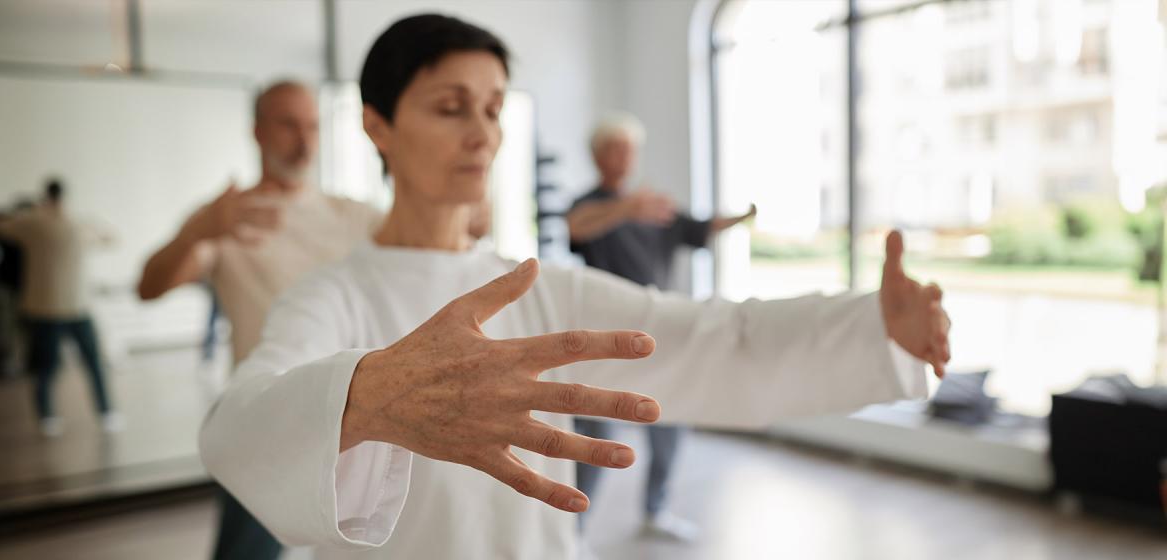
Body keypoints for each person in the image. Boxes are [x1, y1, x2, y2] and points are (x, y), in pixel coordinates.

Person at [199, 14, 951, 560]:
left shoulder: (536, 289)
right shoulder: (332, 296)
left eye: (492, 109)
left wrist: (873, 331)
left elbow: (713, 340)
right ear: (377, 127)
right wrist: (369, 396)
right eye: (451, 106)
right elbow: (239, 426)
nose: (483, 133)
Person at [137, 80, 384, 560]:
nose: (304, 139)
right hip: (266, 422)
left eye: (312, 125)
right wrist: (198, 230)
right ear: (258, 132)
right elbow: (150, 287)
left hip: (350, 421)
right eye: (289, 124)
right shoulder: (227, 218)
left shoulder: (352, 216)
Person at [566, 113, 756, 541]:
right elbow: (575, 228)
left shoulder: (655, 208)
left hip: (656, 336)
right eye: (615, 148)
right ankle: (572, 533)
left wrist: (746, 215)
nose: (624, 157)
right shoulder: (590, 206)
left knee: (671, 419)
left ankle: (656, 510)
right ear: (597, 156)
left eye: (629, 149)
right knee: (596, 434)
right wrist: (625, 208)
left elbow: (701, 226)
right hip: (604, 343)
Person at [0, 180, 120, 437]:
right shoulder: (57, 223)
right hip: (56, 308)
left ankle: (58, 415)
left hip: (65, 307)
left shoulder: (37, 223)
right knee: (60, 366)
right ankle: (95, 413)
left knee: (55, 366)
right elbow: (110, 236)